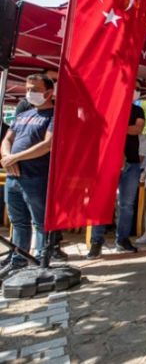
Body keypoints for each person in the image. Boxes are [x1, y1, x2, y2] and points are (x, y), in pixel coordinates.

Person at [0, 73, 55, 279]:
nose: (29, 93)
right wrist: (7, 157)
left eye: (35, 89)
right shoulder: (23, 115)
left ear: (49, 92)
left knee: (39, 221)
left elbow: (47, 145)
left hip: (36, 177)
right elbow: (7, 139)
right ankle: (19, 259)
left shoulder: (54, 116)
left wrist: (14, 158)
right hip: (13, 177)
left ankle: (41, 260)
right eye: (28, 88)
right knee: (18, 221)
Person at [88, 81, 145, 258]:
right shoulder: (107, 106)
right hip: (107, 162)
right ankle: (96, 241)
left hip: (132, 164)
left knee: (126, 205)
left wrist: (116, 127)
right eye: (132, 87)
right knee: (102, 202)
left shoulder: (138, 110)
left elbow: (137, 128)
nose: (135, 91)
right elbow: (101, 129)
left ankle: (122, 240)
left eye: (138, 89)